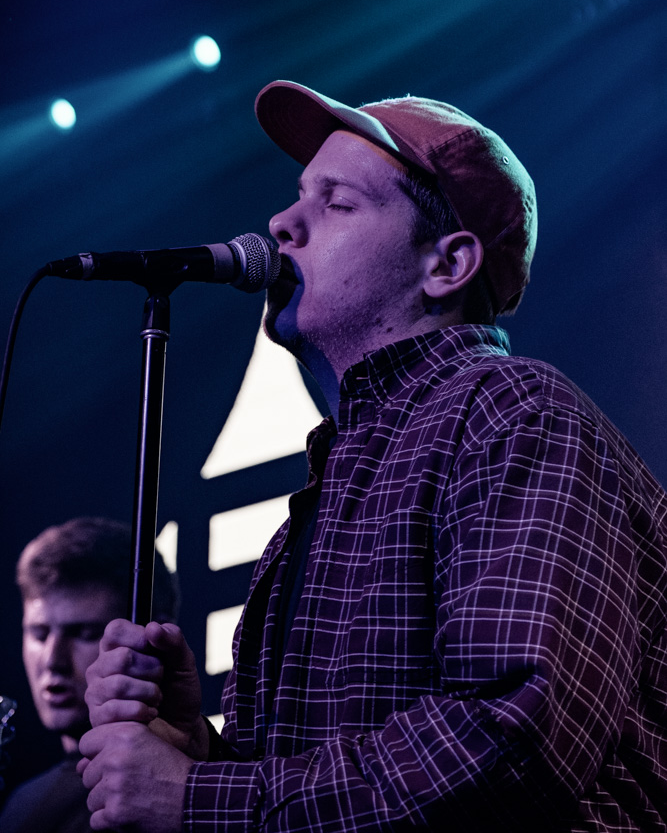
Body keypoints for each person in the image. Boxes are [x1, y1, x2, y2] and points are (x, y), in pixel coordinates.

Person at [78, 81, 667, 831]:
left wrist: (197, 799)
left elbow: (512, 738)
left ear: (446, 265)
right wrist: (198, 752)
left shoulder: (512, 412)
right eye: (297, 195)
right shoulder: (325, 493)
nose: (281, 224)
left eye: (336, 203)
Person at [0, 517, 179, 833]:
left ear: (153, 638)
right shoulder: (27, 805)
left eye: (83, 633)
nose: (53, 661)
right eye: (39, 634)